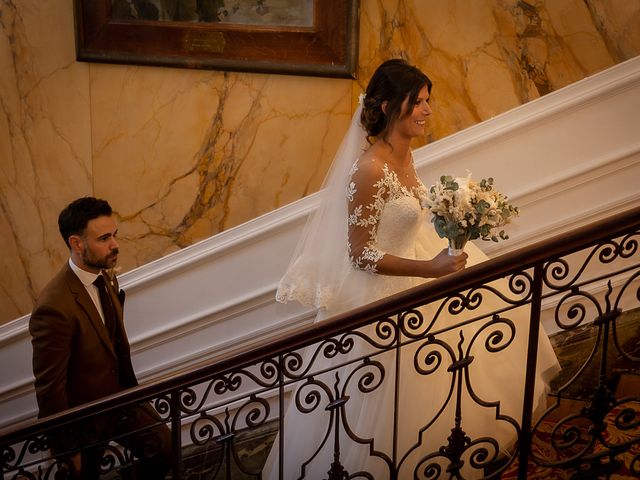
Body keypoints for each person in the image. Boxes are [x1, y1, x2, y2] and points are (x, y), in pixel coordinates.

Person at [266, 59, 560, 478]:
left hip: (423, 260)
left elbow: (407, 215)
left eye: (427, 101)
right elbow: (360, 254)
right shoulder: (368, 170)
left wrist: (455, 219)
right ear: (387, 106)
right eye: (416, 102)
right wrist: (428, 269)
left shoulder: (406, 153)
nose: (426, 110)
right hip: (382, 292)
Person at [29, 197, 171, 479]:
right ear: (77, 244)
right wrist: (68, 451)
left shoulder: (105, 276)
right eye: (104, 238)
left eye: (114, 235)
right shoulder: (53, 307)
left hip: (121, 401)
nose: (115, 244)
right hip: (85, 423)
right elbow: (50, 389)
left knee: (165, 450)